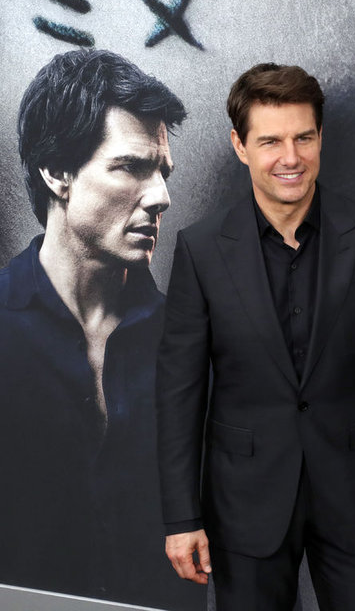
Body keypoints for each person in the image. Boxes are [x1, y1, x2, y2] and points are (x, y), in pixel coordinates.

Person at [156, 63, 355, 610]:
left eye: (303, 137)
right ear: (240, 146)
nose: (291, 157)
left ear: (320, 137)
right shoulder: (200, 249)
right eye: (271, 141)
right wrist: (181, 516)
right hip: (243, 502)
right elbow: (179, 391)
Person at [0, 49, 199, 609]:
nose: (161, 196)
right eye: (131, 167)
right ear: (57, 172)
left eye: (162, 172)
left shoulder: (187, 340)